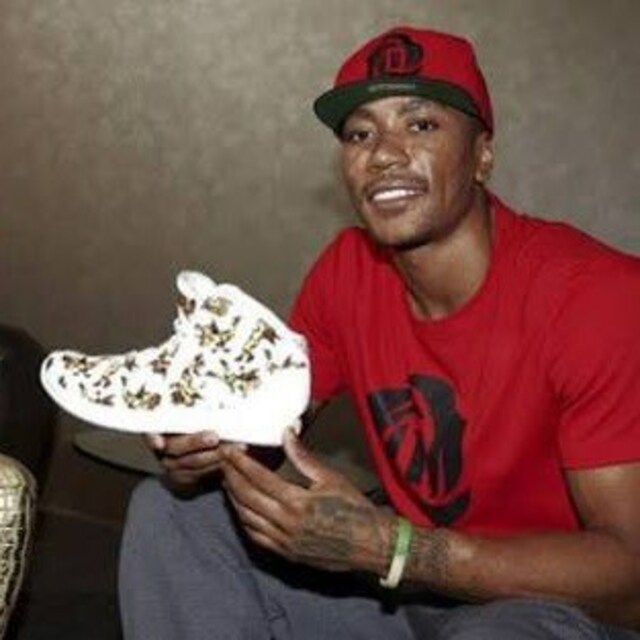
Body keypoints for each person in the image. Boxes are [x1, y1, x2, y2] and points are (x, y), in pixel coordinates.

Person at [118, 26, 640, 639]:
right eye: (360, 134)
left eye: (420, 124)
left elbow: (631, 582)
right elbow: (262, 435)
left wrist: (395, 549)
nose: (384, 154)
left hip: (545, 610)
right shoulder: (347, 271)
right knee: (172, 510)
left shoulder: (598, 297)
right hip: (400, 594)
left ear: (482, 155)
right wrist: (199, 443)